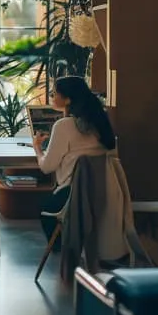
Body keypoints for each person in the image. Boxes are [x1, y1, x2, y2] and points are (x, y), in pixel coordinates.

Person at [34, 75, 116, 239]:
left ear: (68, 100)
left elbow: (46, 167)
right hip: (104, 192)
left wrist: (37, 147)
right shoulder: (100, 121)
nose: (52, 95)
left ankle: (61, 250)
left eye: (54, 93)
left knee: (43, 210)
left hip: (73, 196)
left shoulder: (64, 126)